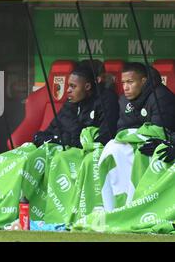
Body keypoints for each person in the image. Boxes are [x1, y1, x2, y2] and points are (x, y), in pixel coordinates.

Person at [98, 62, 175, 210]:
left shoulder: (161, 96)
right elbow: (123, 130)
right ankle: (112, 207)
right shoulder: (124, 100)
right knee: (111, 150)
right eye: (123, 83)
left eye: (130, 82)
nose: (125, 87)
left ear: (143, 81)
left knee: (145, 154)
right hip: (136, 147)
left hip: (164, 149)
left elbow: (162, 131)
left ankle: (141, 207)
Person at [34, 63, 119, 148]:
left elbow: (105, 138)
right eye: (68, 86)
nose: (68, 90)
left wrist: (64, 140)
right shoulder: (72, 101)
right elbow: (49, 131)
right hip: (62, 147)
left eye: (73, 86)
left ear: (87, 86)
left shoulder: (106, 100)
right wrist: (58, 139)